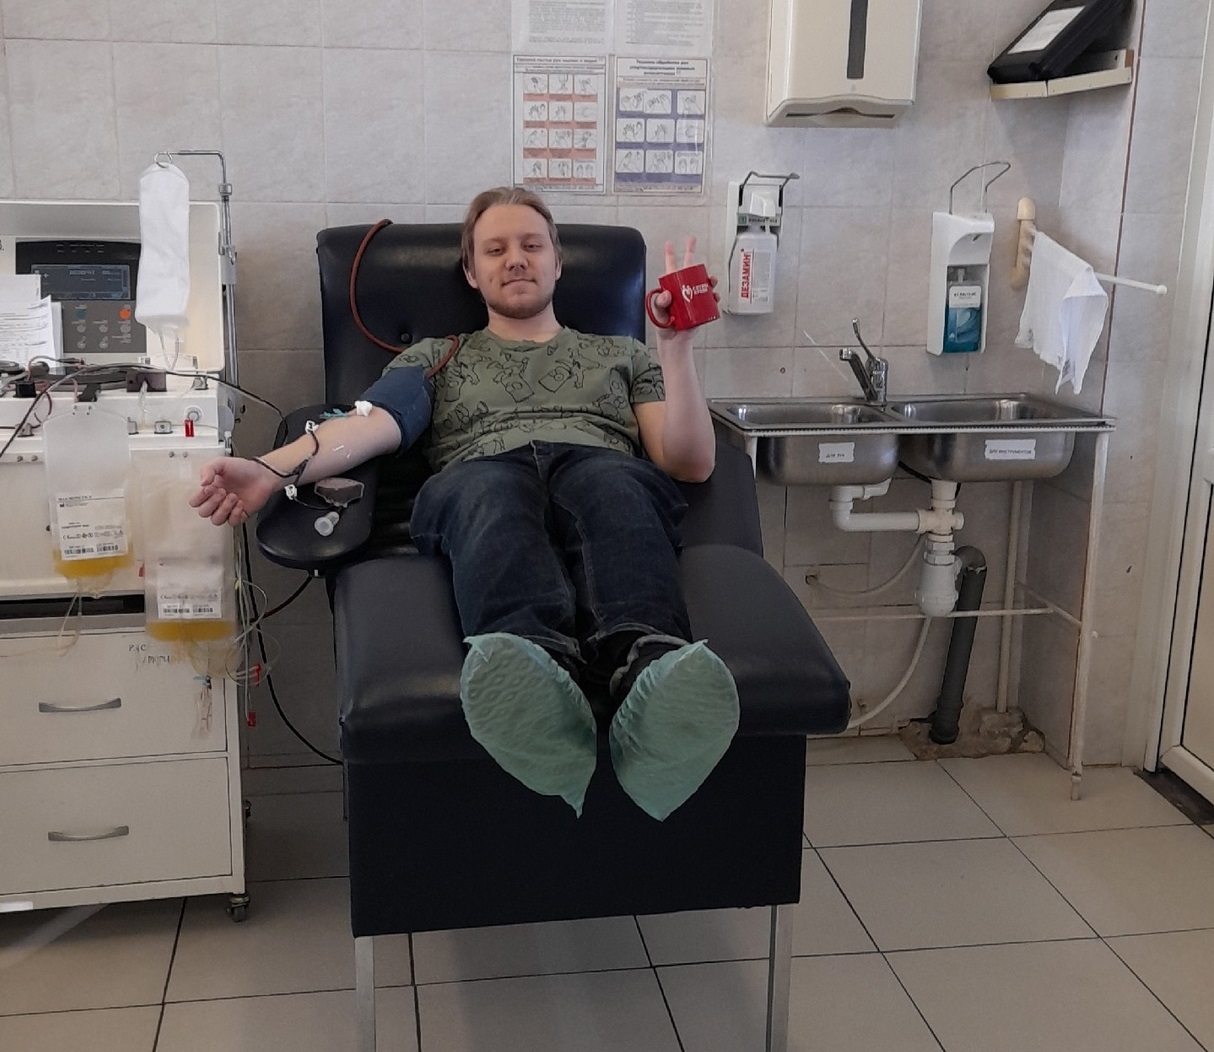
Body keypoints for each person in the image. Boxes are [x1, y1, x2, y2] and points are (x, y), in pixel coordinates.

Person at [190, 186, 739, 821]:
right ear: (472, 272)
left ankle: (651, 676)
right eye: (495, 249)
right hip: (481, 471)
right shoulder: (437, 355)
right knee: (488, 491)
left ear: (558, 262)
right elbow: (373, 425)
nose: (516, 258)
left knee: (616, 485)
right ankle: (533, 676)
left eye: (532, 245)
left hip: (599, 465)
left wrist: (676, 349)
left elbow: (689, 462)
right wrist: (268, 469)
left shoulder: (624, 354)